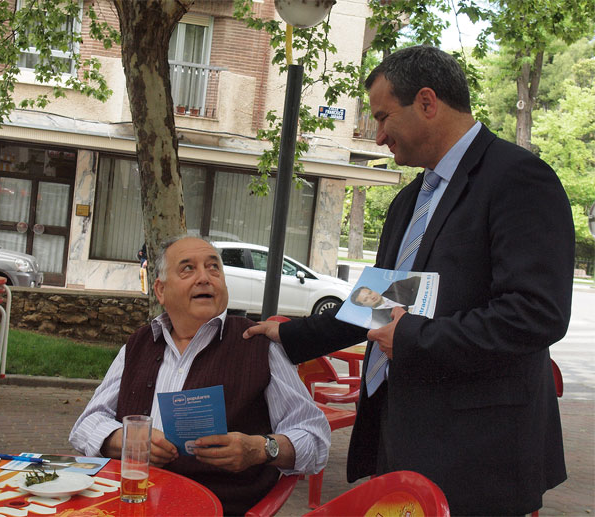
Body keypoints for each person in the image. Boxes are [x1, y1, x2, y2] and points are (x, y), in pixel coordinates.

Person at [244, 45, 573, 516]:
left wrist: (415, 338)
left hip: (480, 454)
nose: (378, 138)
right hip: (400, 435)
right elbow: (379, 303)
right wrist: (290, 335)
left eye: (382, 118)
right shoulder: (408, 201)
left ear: (426, 102)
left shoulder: (519, 178)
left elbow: (536, 313)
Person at [70, 236, 330, 515]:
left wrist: (260, 448)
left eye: (213, 268)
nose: (205, 278)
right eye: (188, 269)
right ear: (161, 290)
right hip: (129, 503)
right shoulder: (140, 343)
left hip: (217, 507)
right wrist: (122, 440)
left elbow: (315, 439)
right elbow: (86, 424)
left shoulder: (256, 344)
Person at [350, 276, 421, 327]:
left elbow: (417, 280)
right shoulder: (378, 321)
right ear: (363, 305)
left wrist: (416, 302)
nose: (372, 297)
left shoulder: (395, 287)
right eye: (366, 299)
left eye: (370, 293)